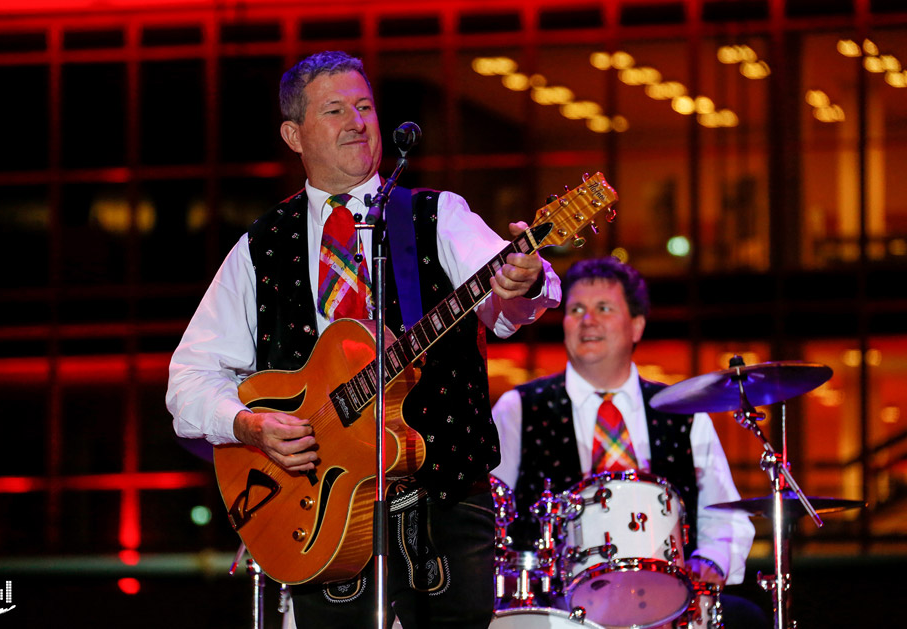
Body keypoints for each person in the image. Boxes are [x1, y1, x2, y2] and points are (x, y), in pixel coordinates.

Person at [166, 50, 561, 629]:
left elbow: (501, 302)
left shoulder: (438, 215)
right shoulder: (261, 246)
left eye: (365, 106)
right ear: (293, 134)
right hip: (318, 508)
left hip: (443, 500)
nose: (357, 121)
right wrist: (249, 425)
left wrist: (522, 282)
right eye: (335, 110)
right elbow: (190, 379)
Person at [491, 256, 768, 629]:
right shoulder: (518, 408)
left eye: (604, 308)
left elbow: (725, 515)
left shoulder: (685, 410)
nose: (588, 319)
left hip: (668, 606)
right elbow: (486, 516)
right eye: (576, 309)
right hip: (555, 610)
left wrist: (711, 564)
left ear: (637, 325)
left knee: (747, 618)